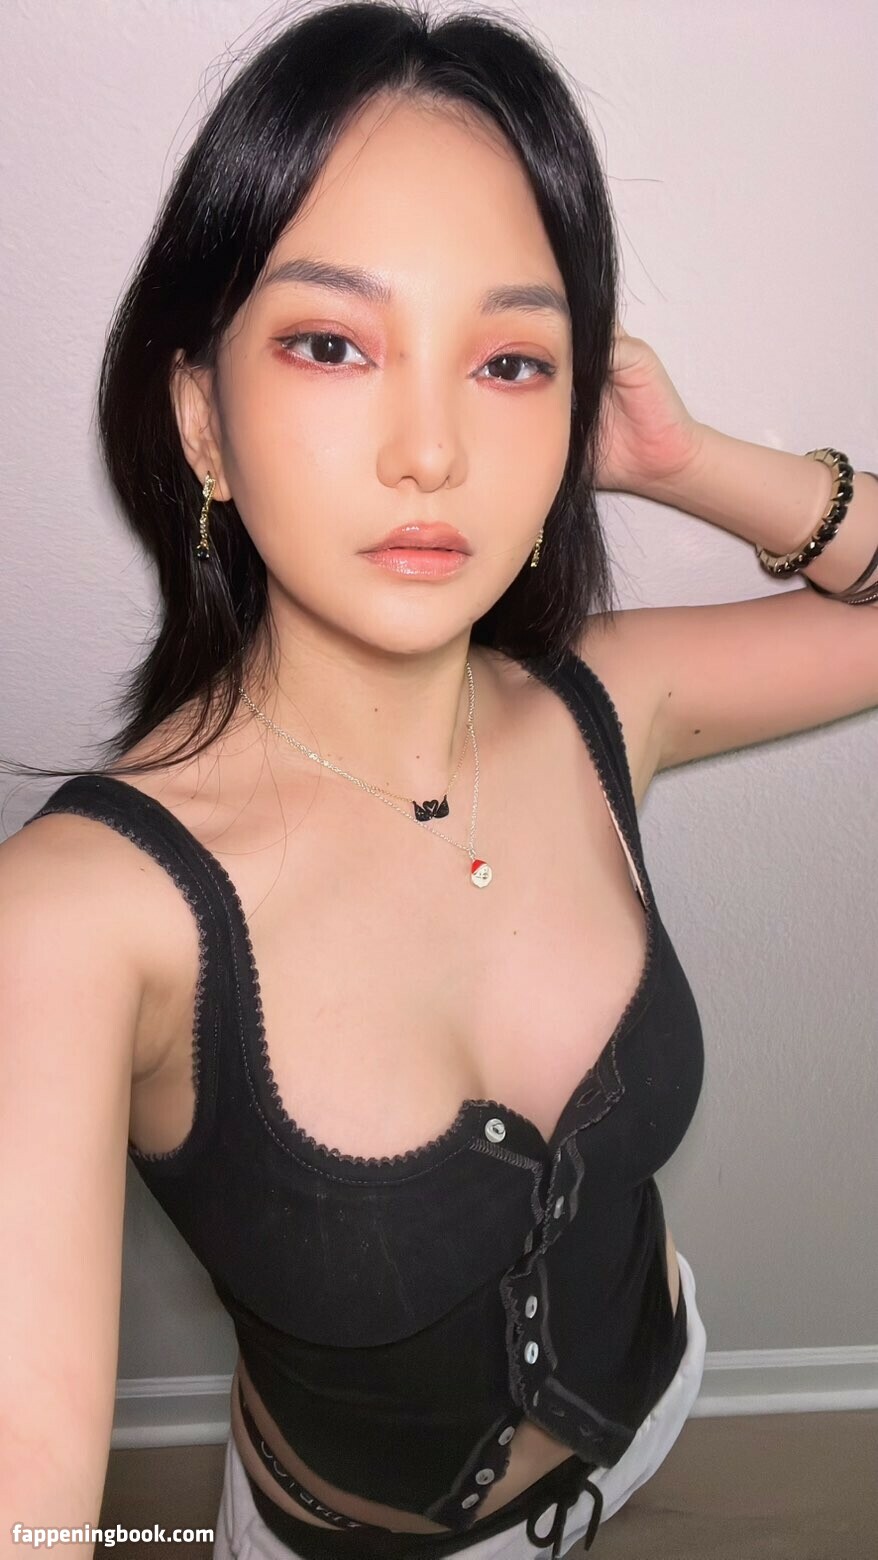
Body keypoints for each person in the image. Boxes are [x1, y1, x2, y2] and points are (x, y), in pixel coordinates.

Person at [2, 4, 876, 1559]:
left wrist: (684, 460)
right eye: (331, 344)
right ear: (202, 418)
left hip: (653, 1399)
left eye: (509, 362)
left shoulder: (607, 700)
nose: (430, 451)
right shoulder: (77, 920)